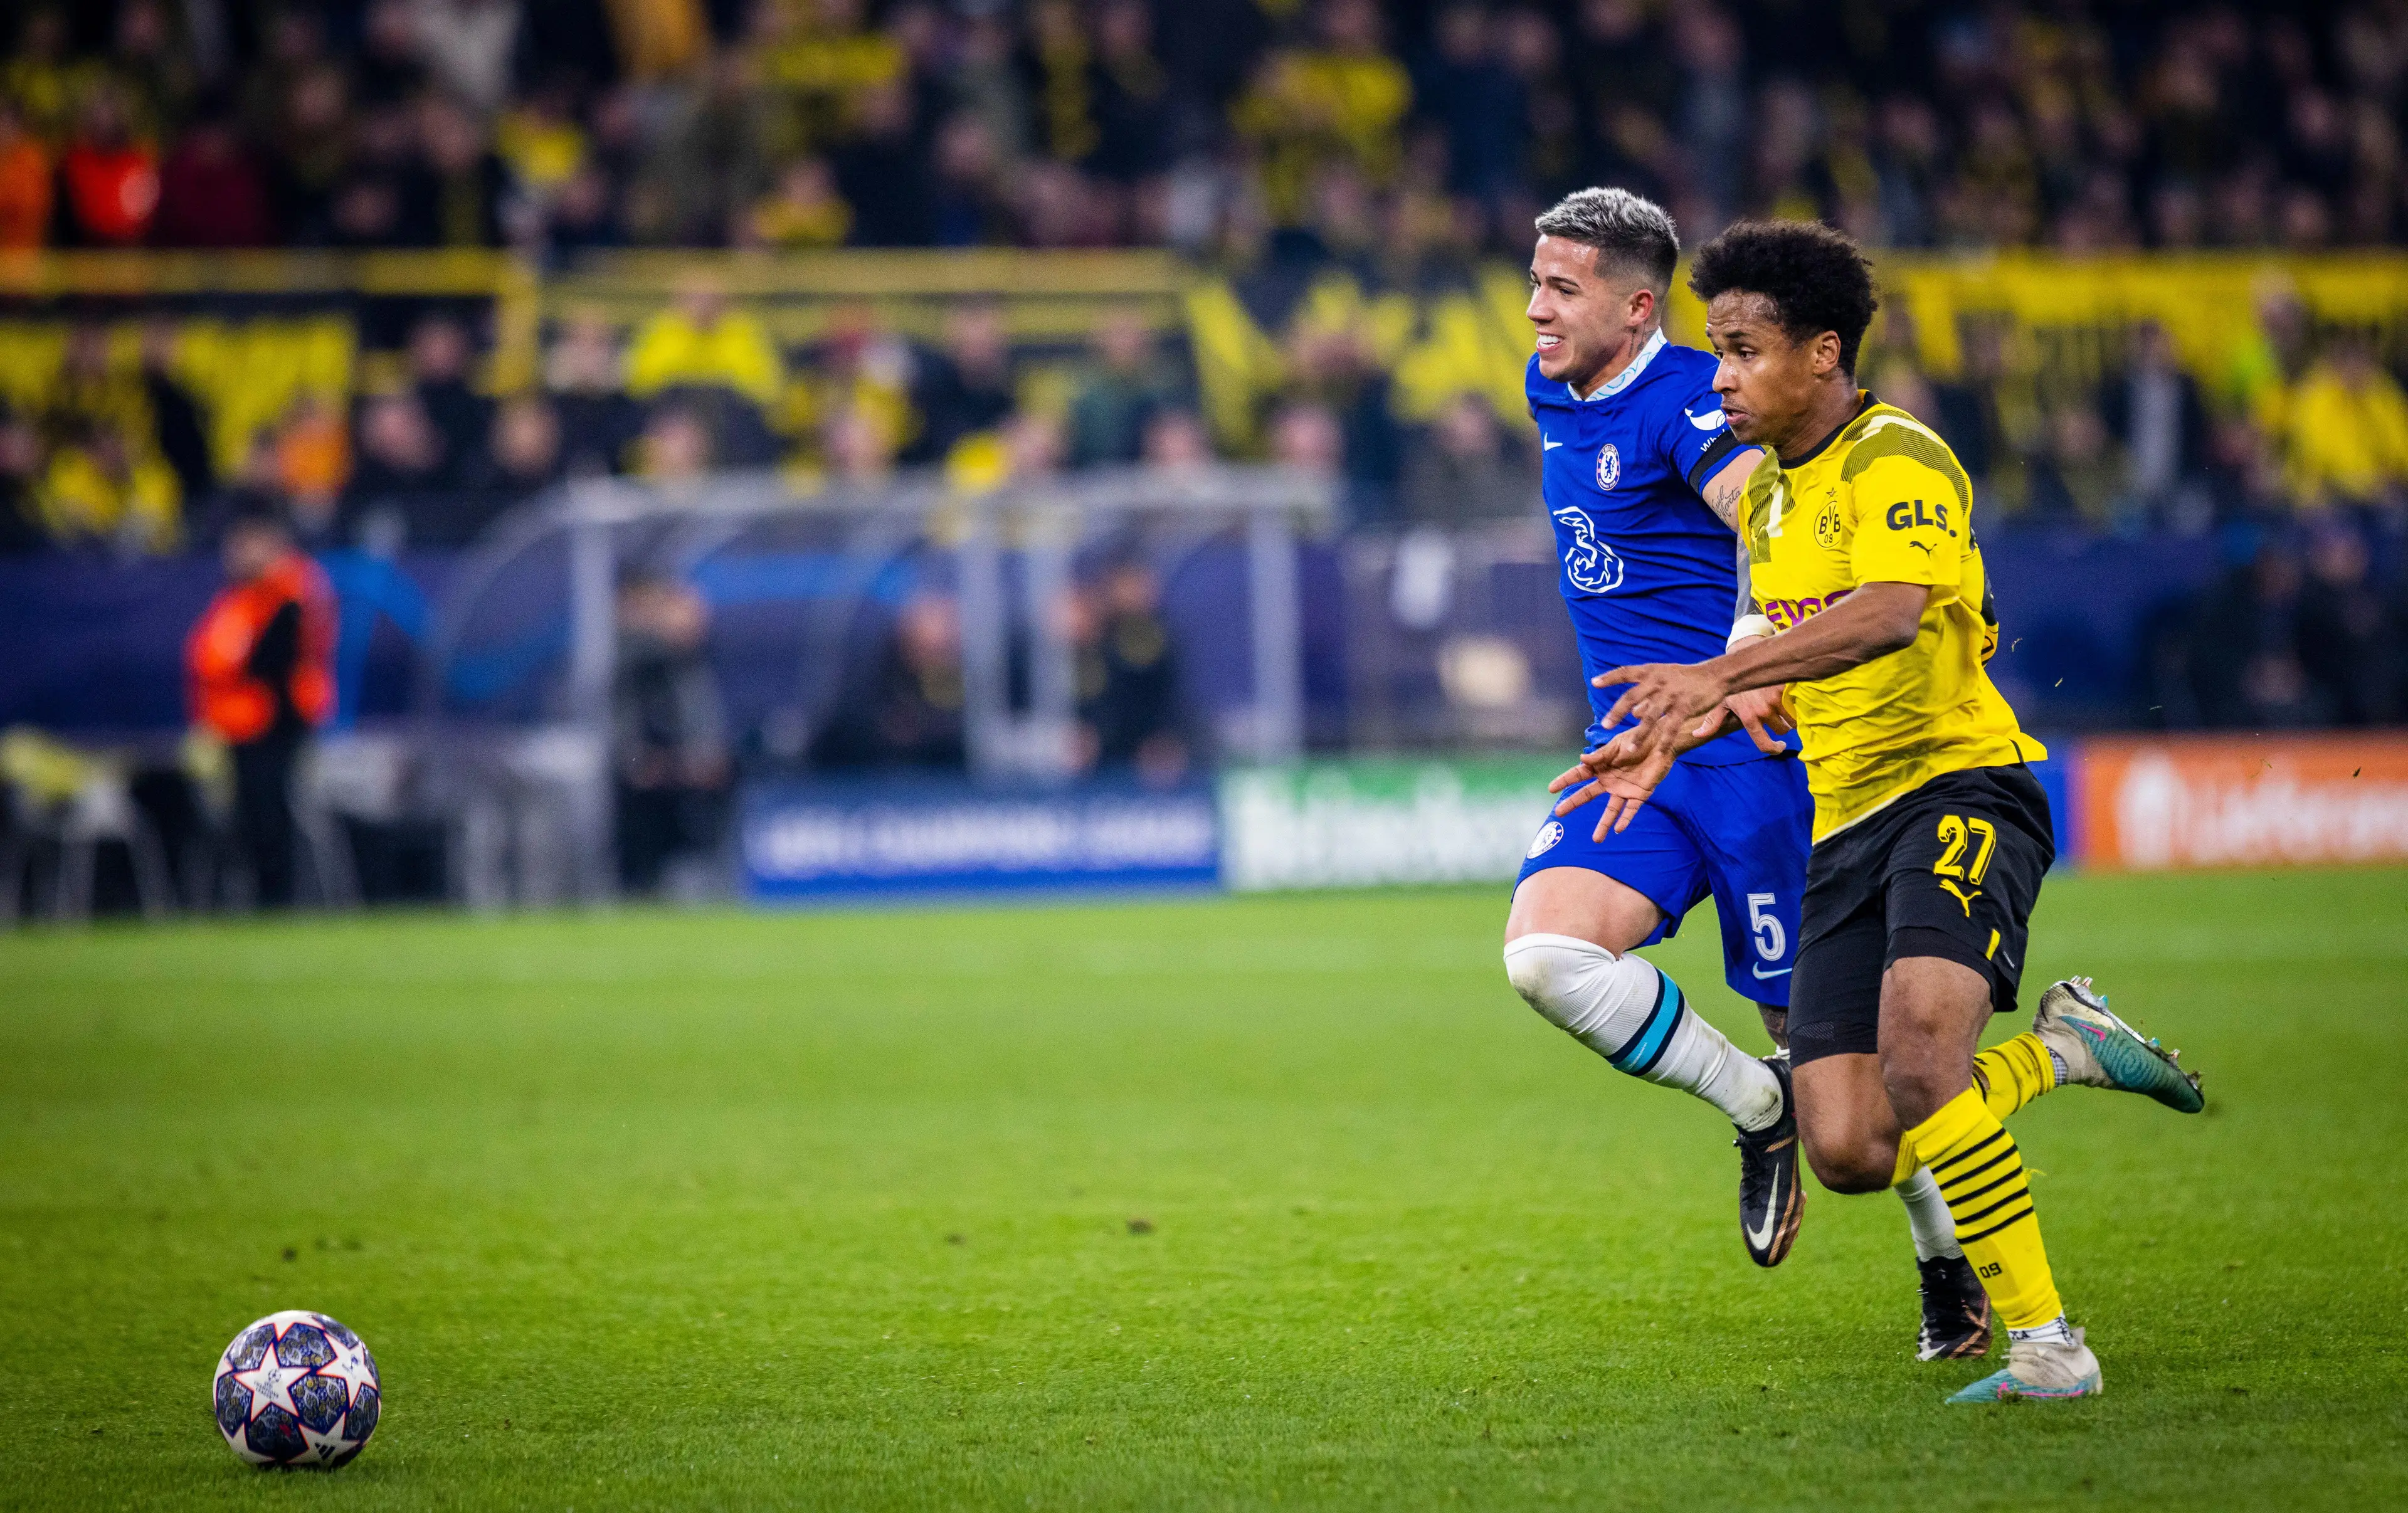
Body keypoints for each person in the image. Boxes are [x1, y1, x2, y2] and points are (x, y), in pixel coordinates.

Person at [1561, 219, 2206, 1402]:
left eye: (1744, 351)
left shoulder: (1896, 458)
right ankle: (2068, 1047)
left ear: (1822, 354)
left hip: (1963, 786)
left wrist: (1714, 675)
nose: (1721, 377)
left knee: (1920, 1057)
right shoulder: (1766, 511)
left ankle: (2047, 1343)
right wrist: (1674, 730)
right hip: (1844, 822)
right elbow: (1771, 664)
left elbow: (1895, 610)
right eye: (1716, 350)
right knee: (1852, 1146)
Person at [185, 510, 335, 909]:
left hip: (272, 720)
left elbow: (268, 659)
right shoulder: (245, 597)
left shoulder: (289, 592)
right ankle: (256, 897)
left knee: (270, 813)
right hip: (238, 723)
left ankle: (276, 899)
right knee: (247, 815)